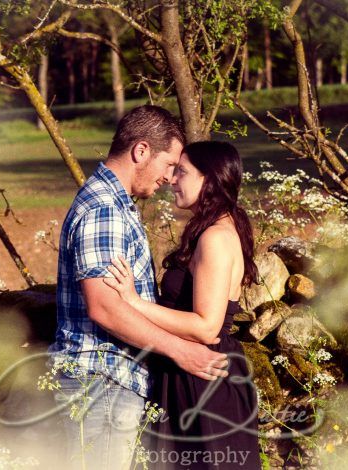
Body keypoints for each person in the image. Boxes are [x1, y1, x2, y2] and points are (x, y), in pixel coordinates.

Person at [48, 106, 229, 470]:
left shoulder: (117, 204)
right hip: (101, 379)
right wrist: (181, 351)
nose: (169, 177)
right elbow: (104, 307)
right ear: (141, 151)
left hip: (109, 382)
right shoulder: (104, 209)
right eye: (169, 164)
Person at [103, 141, 261, 469]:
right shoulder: (214, 229)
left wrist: (134, 302)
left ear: (211, 180)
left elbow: (206, 326)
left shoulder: (216, 238)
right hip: (192, 374)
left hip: (203, 380)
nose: (172, 179)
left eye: (183, 172)